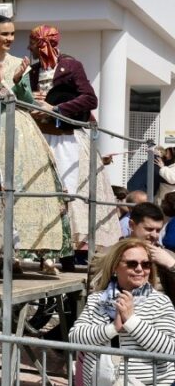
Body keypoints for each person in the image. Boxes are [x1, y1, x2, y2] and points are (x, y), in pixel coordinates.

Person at [0, 13, 70, 271]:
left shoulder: (18, 63)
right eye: (5, 34)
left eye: (12, 34)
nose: (10, 38)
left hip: (18, 129)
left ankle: (13, 252)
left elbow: (28, 102)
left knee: (19, 188)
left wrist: (16, 82)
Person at [72, 238, 175, 386]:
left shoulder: (161, 303)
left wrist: (132, 322)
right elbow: (76, 337)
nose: (140, 269)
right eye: (132, 264)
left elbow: (169, 349)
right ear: (116, 266)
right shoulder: (98, 300)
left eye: (146, 264)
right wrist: (111, 329)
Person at [28, 25, 121, 268]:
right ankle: (43, 251)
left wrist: (56, 109)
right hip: (40, 135)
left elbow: (90, 98)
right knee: (38, 192)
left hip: (66, 136)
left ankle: (67, 255)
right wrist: (33, 100)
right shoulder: (32, 71)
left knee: (68, 194)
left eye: (43, 43)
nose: (39, 48)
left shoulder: (71, 67)